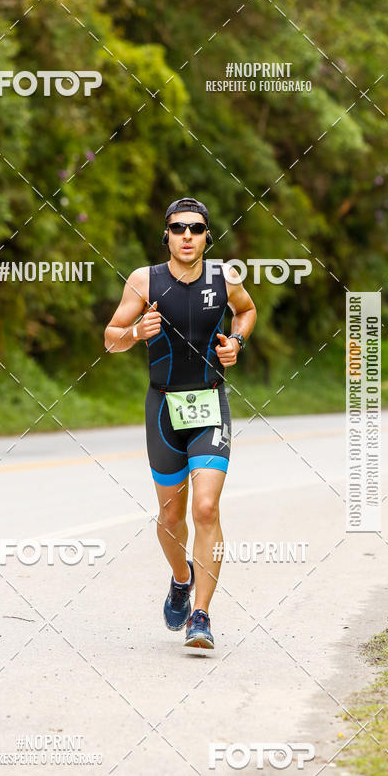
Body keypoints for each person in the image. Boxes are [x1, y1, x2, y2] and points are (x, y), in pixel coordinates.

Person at [104, 198, 256, 649]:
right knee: (171, 516)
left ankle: (201, 615)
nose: (186, 235)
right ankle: (181, 578)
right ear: (166, 235)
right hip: (164, 408)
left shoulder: (225, 278)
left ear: (208, 236)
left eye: (196, 228)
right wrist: (136, 333)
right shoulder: (143, 280)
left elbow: (246, 311)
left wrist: (237, 342)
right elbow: (110, 339)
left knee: (206, 509)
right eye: (177, 228)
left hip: (210, 402)